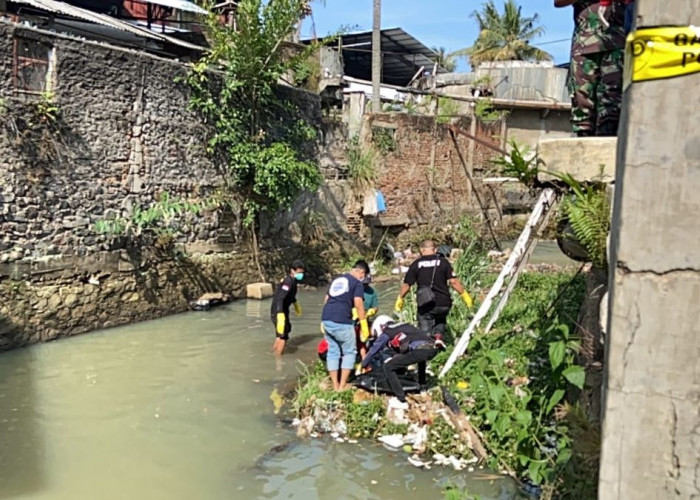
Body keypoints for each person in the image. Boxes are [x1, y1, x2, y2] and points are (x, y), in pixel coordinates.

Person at [555, 0, 625, 137]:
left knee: (613, 106)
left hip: (617, 43)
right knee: (583, 110)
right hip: (584, 45)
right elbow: (558, 2)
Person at [394, 240, 472, 341]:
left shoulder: (416, 264)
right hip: (443, 302)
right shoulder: (444, 262)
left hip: (426, 303)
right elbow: (453, 281)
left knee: (425, 323)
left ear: (421, 250)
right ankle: (438, 337)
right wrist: (465, 295)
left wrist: (400, 299)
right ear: (435, 250)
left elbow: (407, 285)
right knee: (441, 319)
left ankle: (428, 343)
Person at [361, 315, 445, 406]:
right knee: (420, 359)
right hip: (432, 348)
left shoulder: (388, 331)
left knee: (388, 367)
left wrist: (363, 364)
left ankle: (401, 399)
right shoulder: (403, 326)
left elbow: (374, 349)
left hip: (420, 350)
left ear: (380, 327)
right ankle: (422, 386)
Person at [321, 261, 370, 391]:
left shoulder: (337, 280)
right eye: (363, 276)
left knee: (333, 352)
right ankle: (342, 385)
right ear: (361, 272)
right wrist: (364, 324)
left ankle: (335, 385)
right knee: (349, 352)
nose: (362, 278)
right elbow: (358, 303)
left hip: (326, 319)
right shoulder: (356, 283)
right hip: (342, 321)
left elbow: (326, 300)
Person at [271, 260, 305, 356]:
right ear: (292, 271)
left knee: (281, 333)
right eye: (299, 273)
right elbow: (280, 298)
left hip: (282, 311)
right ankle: (278, 360)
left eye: (302, 273)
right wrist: (280, 314)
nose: (300, 275)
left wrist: (295, 304)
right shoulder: (288, 282)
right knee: (283, 336)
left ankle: (274, 352)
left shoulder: (293, 281)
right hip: (279, 311)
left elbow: (290, 296)